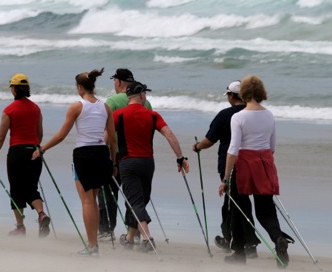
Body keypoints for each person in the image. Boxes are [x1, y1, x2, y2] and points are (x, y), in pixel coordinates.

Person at [32, 68, 116, 256]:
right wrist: (114, 162)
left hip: (84, 154)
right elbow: (112, 138)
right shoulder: (105, 107)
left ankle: (93, 246)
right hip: (102, 154)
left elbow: (62, 135)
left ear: (79, 87)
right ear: (92, 86)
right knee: (92, 200)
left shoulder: (77, 106)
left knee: (87, 202)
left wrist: (42, 149)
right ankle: (94, 244)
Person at [219, 75, 292, 267]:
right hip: (265, 163)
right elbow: (272, 146)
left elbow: (233, 149)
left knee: (239, 210)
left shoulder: (238, 116)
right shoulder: (269, 115)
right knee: (266, 211)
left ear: (243, 93)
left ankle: (239, 253)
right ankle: (278, 239)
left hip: (244, 165)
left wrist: (225, 178)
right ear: (261, 92)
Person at [114, 81, 189, 253]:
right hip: (148, 163)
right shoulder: (153, 115)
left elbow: (107, 137)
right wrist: (180, 157)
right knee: (140, 201)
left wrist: (107, 158)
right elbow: (169, 134)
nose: (145, 96)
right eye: (145, 94)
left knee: (135, 202)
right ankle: (129, 238)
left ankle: (147, 239)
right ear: (141, 95)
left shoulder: (119, 115)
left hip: (128, 162)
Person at [192, 81, 259, 256]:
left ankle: (236, 241)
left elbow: (209, 140)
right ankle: (245, 242)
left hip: (230, 164)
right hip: (253, 163)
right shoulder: (253, 113)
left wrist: (197, 146)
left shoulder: (225, 115)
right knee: (243, 202)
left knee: (233, 203)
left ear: (231, 95)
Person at [0, 73, 51, 238]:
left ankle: (20, 227)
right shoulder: (36, 109)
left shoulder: (9, 110)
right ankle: (41, 214)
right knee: (31, 188)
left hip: (16, 152)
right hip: (35, 152)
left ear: (14, 90)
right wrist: (35, 147)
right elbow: (40, 133)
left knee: (16, 189)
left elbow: (1, 137)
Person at [97, 68, 152, 241]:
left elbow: (105, 129)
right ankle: (134, 232)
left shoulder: (112, 101)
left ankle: (107, 230)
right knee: (134, 195)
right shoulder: (147, 103)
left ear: (118, 82)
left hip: (115, 154)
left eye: (114, 81)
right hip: (139, 154)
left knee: (108, 193)